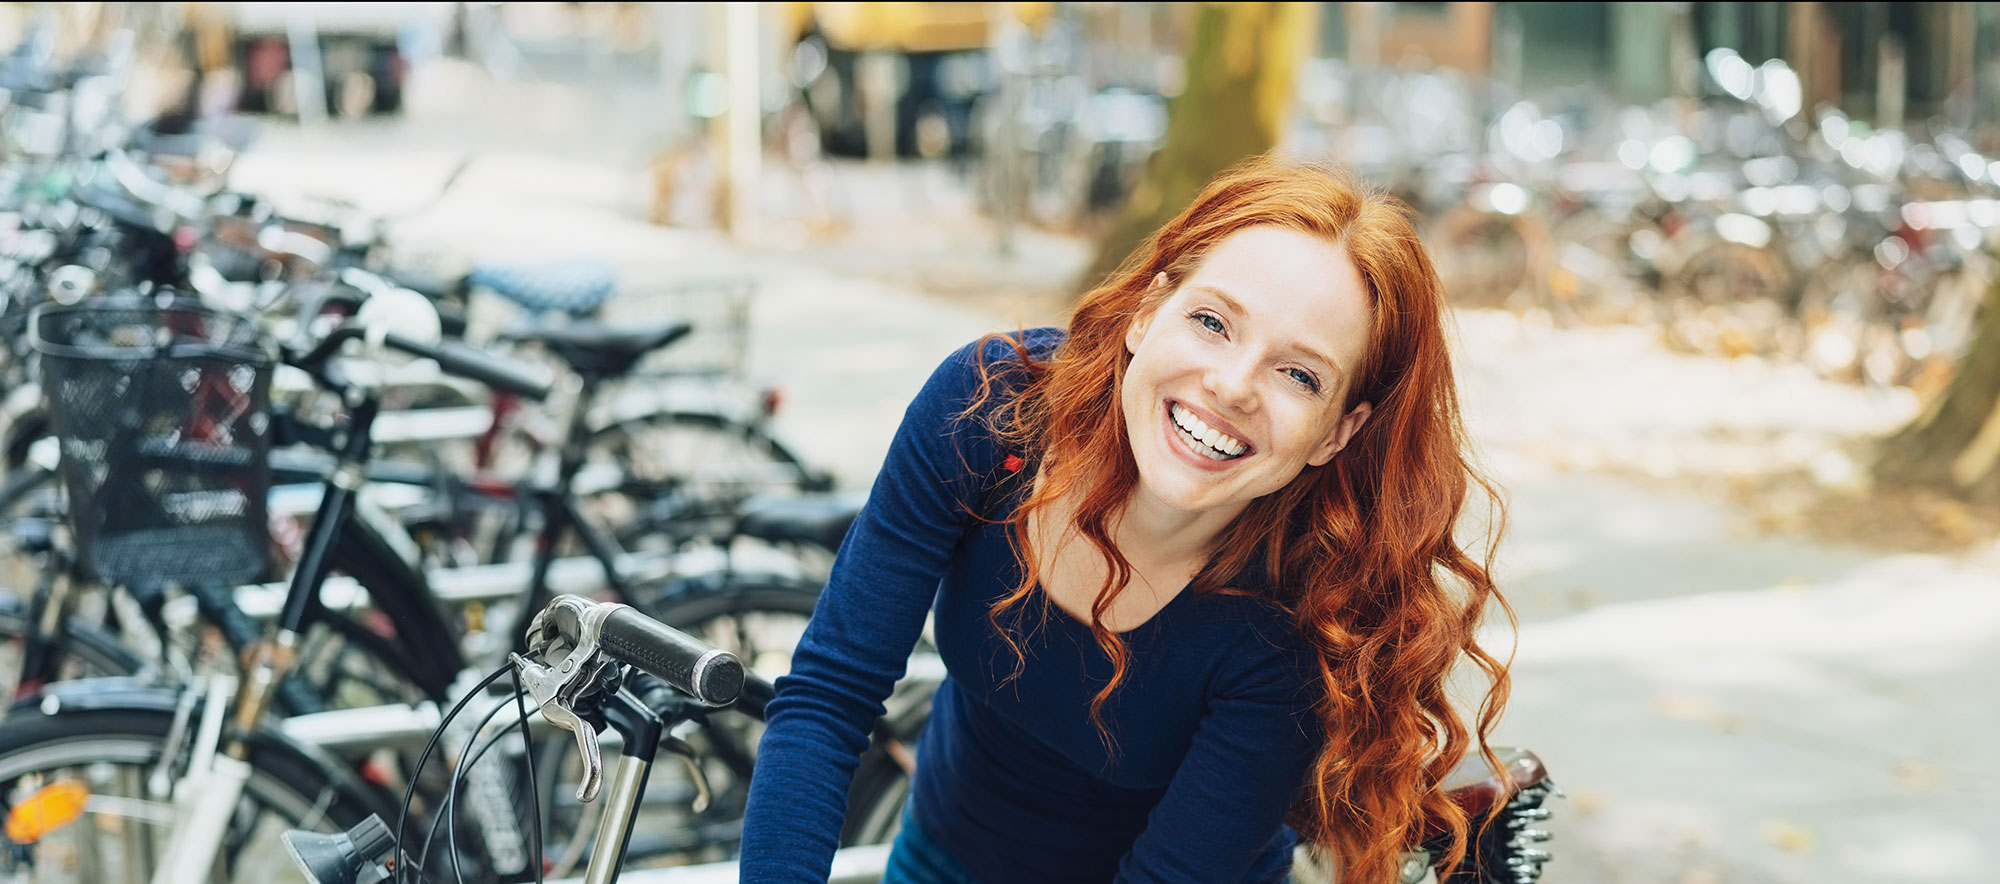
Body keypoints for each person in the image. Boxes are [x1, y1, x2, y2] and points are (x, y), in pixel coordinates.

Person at [740, 155, 1515, 884]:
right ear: (1149, 312)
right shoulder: (990, 412)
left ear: (1338, 431)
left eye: (1299, 374)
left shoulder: (1300, 623)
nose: (1233, 384)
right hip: (942, 848)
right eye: (1214, 322)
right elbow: (826, 697)